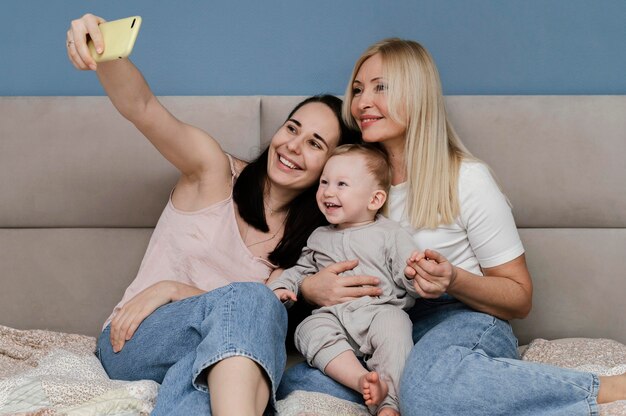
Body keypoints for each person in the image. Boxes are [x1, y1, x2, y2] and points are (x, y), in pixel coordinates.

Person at [277, 38, 626, 415]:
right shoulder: (343, 178)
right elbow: (307, 254)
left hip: (457, 316)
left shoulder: (466, 179)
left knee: (427, 391)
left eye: (382, 87)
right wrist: (311, 288)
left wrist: (452, 280)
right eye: (358, 89)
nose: (362, 102)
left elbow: (520, 298)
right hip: (379, 323)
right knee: (298, 382)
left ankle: (599, 388)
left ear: (417, 94)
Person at [65, 13, 359, 416]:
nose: (293, 146)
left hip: (219, 356)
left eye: (314, 143)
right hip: (134, 339)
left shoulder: (308, 244)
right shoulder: (212, 171)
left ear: (330, 167)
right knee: (253, 305)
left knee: (216, 373)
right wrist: (104, 48)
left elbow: (258, 323)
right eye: (292, 129)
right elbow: (144, 108)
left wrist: (175, 288)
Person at [269, 144, 426, 415]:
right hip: (334, 316)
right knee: (307, 329)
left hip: (379, 311)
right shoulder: (319, 236)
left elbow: (407, 268)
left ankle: (389, 404)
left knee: (396, 328)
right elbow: (302, 270)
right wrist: (284, 286)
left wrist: (414, 273)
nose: (328, 191)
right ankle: (360, 380)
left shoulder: (389, 233)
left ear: (374, 200)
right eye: (324, 182)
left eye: (342, 184)